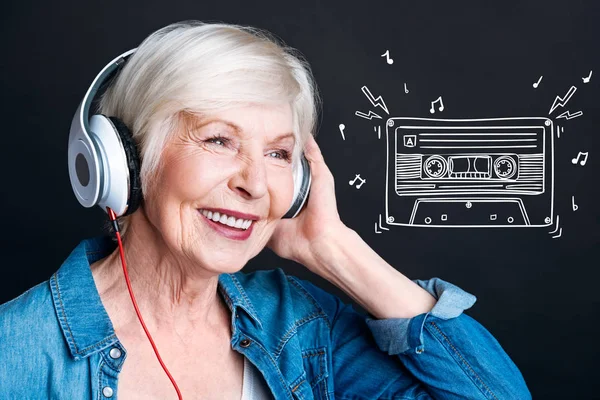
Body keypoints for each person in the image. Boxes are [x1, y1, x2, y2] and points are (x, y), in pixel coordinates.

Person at [0, 20, 531, 399]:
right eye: (218, 140)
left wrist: (332, 248)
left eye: (278, 154)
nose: (255, 184)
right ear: (129, 162)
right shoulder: (16, 353)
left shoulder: (297, 326)